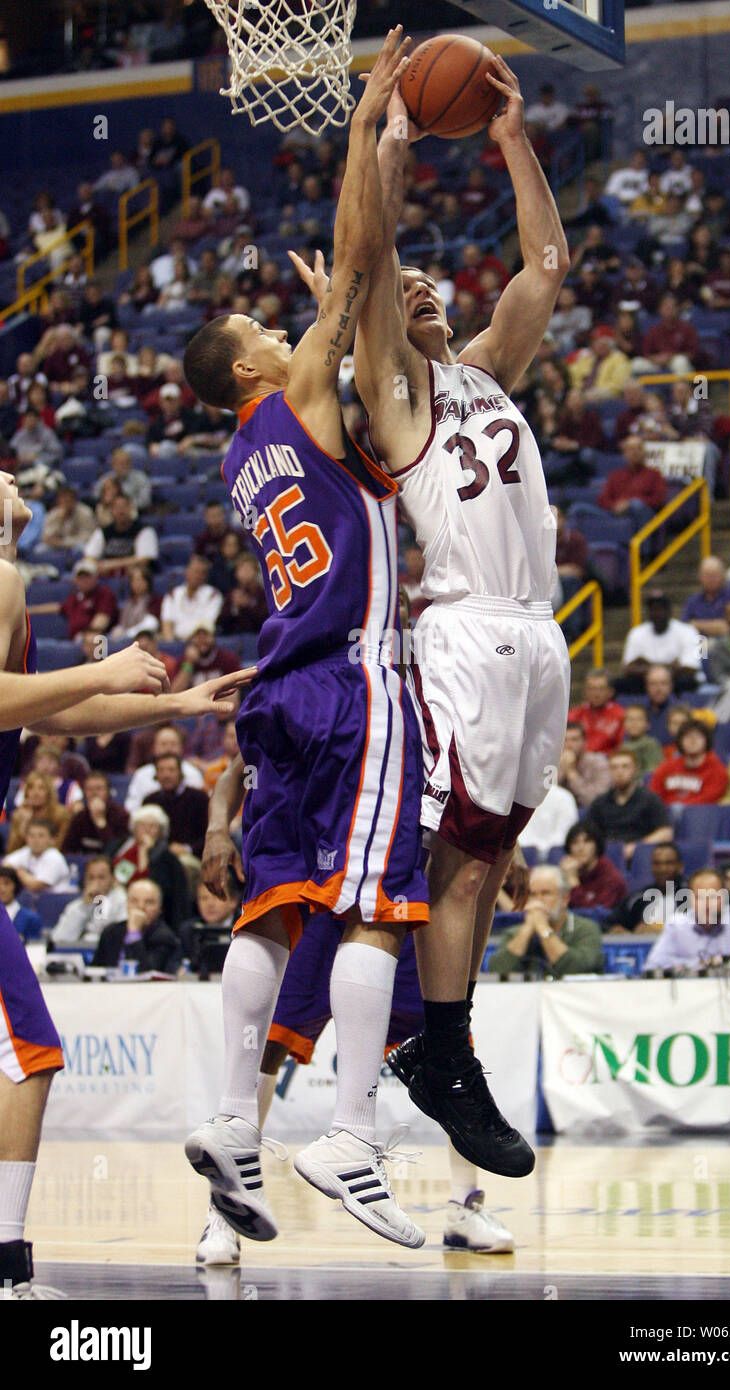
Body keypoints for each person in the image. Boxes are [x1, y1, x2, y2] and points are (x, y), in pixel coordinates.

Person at [180, 36, 430, 1248]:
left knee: (272, 910)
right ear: (246, 365)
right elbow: (360, 261)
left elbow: (345, 300)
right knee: (382, 902)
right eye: (255, 322)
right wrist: (369, 130)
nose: (275, 324)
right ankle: (351, 1135)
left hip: (277, 691)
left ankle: (234, 1121)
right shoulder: (297, 392)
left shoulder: (242, 453)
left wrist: (339, 307)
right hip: (353, 677)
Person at [346, 60, 570, 1177]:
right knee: (466, 851)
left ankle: (440, 1041)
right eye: (412, 289)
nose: (426, 291)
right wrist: (390, 143)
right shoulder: (396, 397)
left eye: (439, 284)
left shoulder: (487, 370)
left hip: (541, 631)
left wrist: (513, 141)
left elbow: (544, 264)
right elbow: (372, 258)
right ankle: (438, 1047)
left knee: (493, 856)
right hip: (470, 630)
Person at [0, 476, 253, 1301]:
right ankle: (7, 1270)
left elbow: (39, 718)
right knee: (30, 1051)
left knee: (26, 1055)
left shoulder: (8, 583)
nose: (14, 478)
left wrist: (176, 702)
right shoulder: (1, 580)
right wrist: (102, 664)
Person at [195, 756, 514, 1263]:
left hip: (399, 891)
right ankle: (227, 1208)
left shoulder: (420, 689)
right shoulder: (319, 687)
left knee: (447, 1047)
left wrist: (492, 849)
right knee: (267, 1044)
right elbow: (240, 765)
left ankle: (463, 1206)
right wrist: (217, 829)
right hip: (320, 891)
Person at [487, 865, 602, 977]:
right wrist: (526, 931)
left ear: (565, 899)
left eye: (546, 893)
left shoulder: (586, 929)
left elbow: (575, 969)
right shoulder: (515, 932)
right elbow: (496, 970)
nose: (538, 900)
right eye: (532, 894)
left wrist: (543, 928)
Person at [644, 868, 730, 972]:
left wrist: (727, 960)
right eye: (700, 898)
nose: (707, 904)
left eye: (713, 897)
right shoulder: (677, 924)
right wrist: (700, 964)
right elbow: (653, 965)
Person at [585, 749, 672, 863]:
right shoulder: (599, 803)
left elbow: (665, 833)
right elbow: (589, 835)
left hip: (643, 857)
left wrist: (637, 848)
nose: (619, 772)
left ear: (635, 770)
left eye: (625, 767)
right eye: (614, 767)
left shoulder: (650, 799)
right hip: (607, 857)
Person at [92, 878, 183, 975]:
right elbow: (95, 971)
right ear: (127, 904)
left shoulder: (164, 937)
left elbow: (147, 974)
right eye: (134, 901)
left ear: (159, 909)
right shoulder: (111, 933)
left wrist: (134, 933)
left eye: (149, 902)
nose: (141, 907)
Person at [618, 591, 702, 694]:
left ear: (669, 611)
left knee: (687, 681)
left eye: (661, 609)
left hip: (678, 681)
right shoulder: (636, 632)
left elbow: (692, 668)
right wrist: (668, 667)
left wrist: (647, 665)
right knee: (621, 684)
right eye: (653, 609)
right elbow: (627, 668)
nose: (657, 613)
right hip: (646, 681)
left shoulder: (689, 630)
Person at [124, 723, 206, 814]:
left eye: (173, 744)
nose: (168, 748)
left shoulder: (192, 773)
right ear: (154, 748)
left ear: (181, 747)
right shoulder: (141, 774)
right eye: (163, 744)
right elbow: (132, 807)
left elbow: (199, 806)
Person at [142, 752, 209, 861]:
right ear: (156, 775)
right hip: (157, 856)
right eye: (161, 770)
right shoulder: (149, 801)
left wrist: (187, 849)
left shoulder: (199, 798)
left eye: (171, 770)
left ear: (180, 773)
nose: (166, 775)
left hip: (194, 856)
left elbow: (208, 834)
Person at [608, 842, 686, 934]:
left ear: (680, 867)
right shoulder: (637, 898)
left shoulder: (692, 897)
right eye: (657, 864)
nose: (662, 869)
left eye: (668, 863)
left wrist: (658, 929)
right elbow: (610, 924)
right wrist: (619, 930)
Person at [50, 856, 127, 947]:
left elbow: (120, 938)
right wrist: (85, 908)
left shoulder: (123, 902)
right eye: (91, 878)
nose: (96, 883)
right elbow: (59, 939)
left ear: (113, 879)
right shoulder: (76, 906)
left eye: (101, 877)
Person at [650, 720, 729, 806]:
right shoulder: (666, 767)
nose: (692, 741)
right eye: (687, 737)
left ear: (706, 741)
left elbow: (709, 799)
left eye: (698, 737)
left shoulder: (717, 770)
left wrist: (682, 808)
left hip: (699, 815)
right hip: (666, 814)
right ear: (680, 741)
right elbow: (654, 795)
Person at [596, 437, 667, 531]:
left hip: (642, 514)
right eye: (631, 449)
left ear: (644, 452)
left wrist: (630, 503)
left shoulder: (654, 474)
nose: (635, 452)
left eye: (639, 448)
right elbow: (603, 499)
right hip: (614, 512)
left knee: (636, 505)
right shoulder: (615, 475)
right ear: (625, 453)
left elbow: (658, 499)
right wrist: (615, 506)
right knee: (578, 510)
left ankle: (641, 545)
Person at [82, 493, 159, 577]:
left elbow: (144, 559)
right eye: (117, 508)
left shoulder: (145, 530)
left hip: (135, 576)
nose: (120, 511)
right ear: (111, 510)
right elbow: (89, 557)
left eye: (124, 507)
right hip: (108, 576)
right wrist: (98, 565)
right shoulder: (103, 532)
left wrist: (112, 565)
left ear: (131, 508)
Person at [560, 821, 626, 911]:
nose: (581, 848)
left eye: (587, 841)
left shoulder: (611, 878)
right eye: (575, 842)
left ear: (597, 846)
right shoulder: (567, 872)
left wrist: (573, 881)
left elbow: (595, 917)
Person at [61, 771, 129, 854]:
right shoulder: (80, 817)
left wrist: (101, 822)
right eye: (89, 789)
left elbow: (117, 851)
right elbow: (67, 849)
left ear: (107, 791)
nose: (94, 793)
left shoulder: (120, 815)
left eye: (99, 789)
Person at [159, 556, 224, 642]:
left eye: (202, 573)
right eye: (195, 571)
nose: (197, 575)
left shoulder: (213, 596)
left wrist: (189, 644)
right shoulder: (173, 594)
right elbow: (166, 623)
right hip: (175, 643)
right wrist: (172, 645)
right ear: (186, 571)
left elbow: (206, 626)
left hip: (198, 643)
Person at [3, 820, 72, 894]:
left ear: (52, 840)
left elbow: (35, 886)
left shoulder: (54, 857)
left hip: (55, 900)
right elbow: (5, 865)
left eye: (41, 836)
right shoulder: (27, 851)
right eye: (31, 836)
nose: (35, 840)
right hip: (33, 899)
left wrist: (19, 871)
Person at [567, 669, 625, 754]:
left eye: (601, 689)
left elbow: (621, 747)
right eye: (591, 688)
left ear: (610, 692)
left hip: (608, 762)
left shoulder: (620, 715)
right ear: (585, 691)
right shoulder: (574, 715)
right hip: (576, 759)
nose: (596, 694)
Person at [558, 721, 611, 808]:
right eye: (565, 740)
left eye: (574, 740)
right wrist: (562, 769)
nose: (569, 745)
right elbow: (548, 797)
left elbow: (597, 801)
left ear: (584, 742)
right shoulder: (553, 763)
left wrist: (571, 772)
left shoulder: (598, 762)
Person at [682, 557, 730, 638]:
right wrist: (716, 626)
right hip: (699, 646)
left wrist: (698, 624)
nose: (711, 579)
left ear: (723, 576)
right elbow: (685, 628)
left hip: (726, 646)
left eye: (714, 575)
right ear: (700, 577)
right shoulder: (692, 601)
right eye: (707, 575)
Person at [0, 867, 42, 943]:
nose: (2, 889)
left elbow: (36, 949)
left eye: (6, 883)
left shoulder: (31, 918)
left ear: (15, 886)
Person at [620, 705, 663, 776]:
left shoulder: (650, 744)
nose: (634, 723)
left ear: (648, 725)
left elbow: (654, 771)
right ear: (624, 724)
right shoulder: (623, 746)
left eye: (639, 719)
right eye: (630, 719)